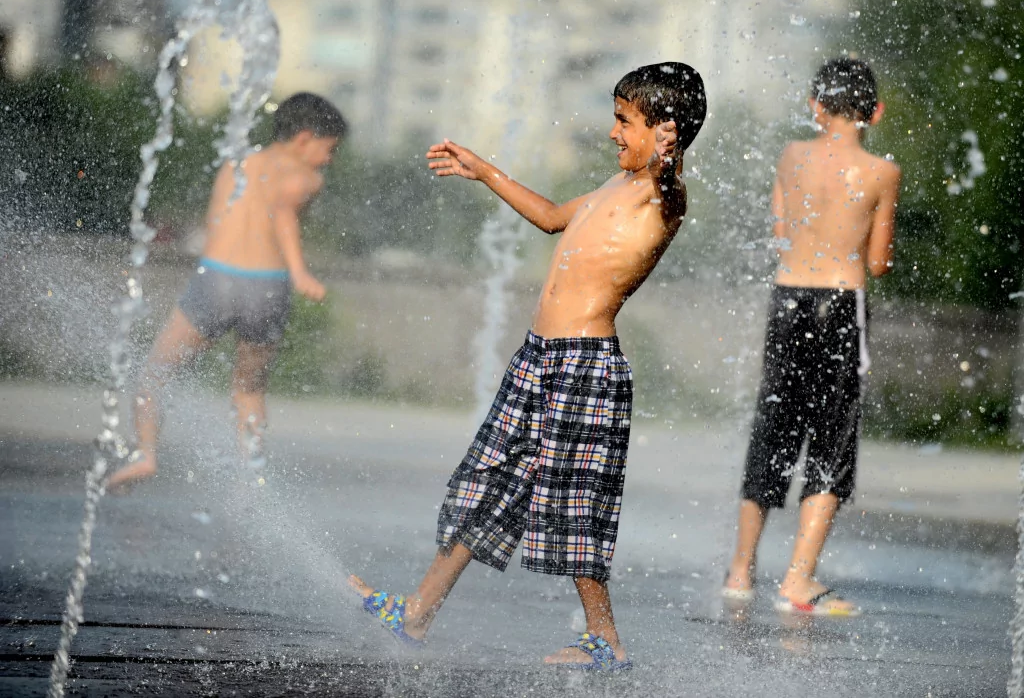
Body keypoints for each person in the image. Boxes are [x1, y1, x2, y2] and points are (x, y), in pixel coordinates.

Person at [347, 62, 706, 670]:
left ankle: (605, 640)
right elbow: (548, 217)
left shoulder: (661, 197)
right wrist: (483, 170)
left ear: (664, 132)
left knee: (572, 500)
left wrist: (667, 161)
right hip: (538, 358)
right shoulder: (611, 189)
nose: (613, 132)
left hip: (584, 367)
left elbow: (668, 188)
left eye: (625, 121)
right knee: (487, 481)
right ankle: (418, 612)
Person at [721, 58, 901, 616]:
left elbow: (780, 229)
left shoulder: (791, 157)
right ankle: (798, 580)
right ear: (875, 111)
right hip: (841, 305)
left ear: (815, 107)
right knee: (831, 437)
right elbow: (877, 263)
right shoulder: (881, 173)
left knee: (773, 426)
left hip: (788, 298)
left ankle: (740, 570)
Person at [105, 92, 345, 491]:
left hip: (217, 279)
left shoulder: (237, 164)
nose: (330, 159)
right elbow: (283, 210)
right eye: (329, 148)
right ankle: (250, 475)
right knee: (248, 388)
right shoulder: (306, 177)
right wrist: (299, 271)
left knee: (155, 374)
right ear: (304, 139)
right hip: (267, 287)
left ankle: (146, 454)